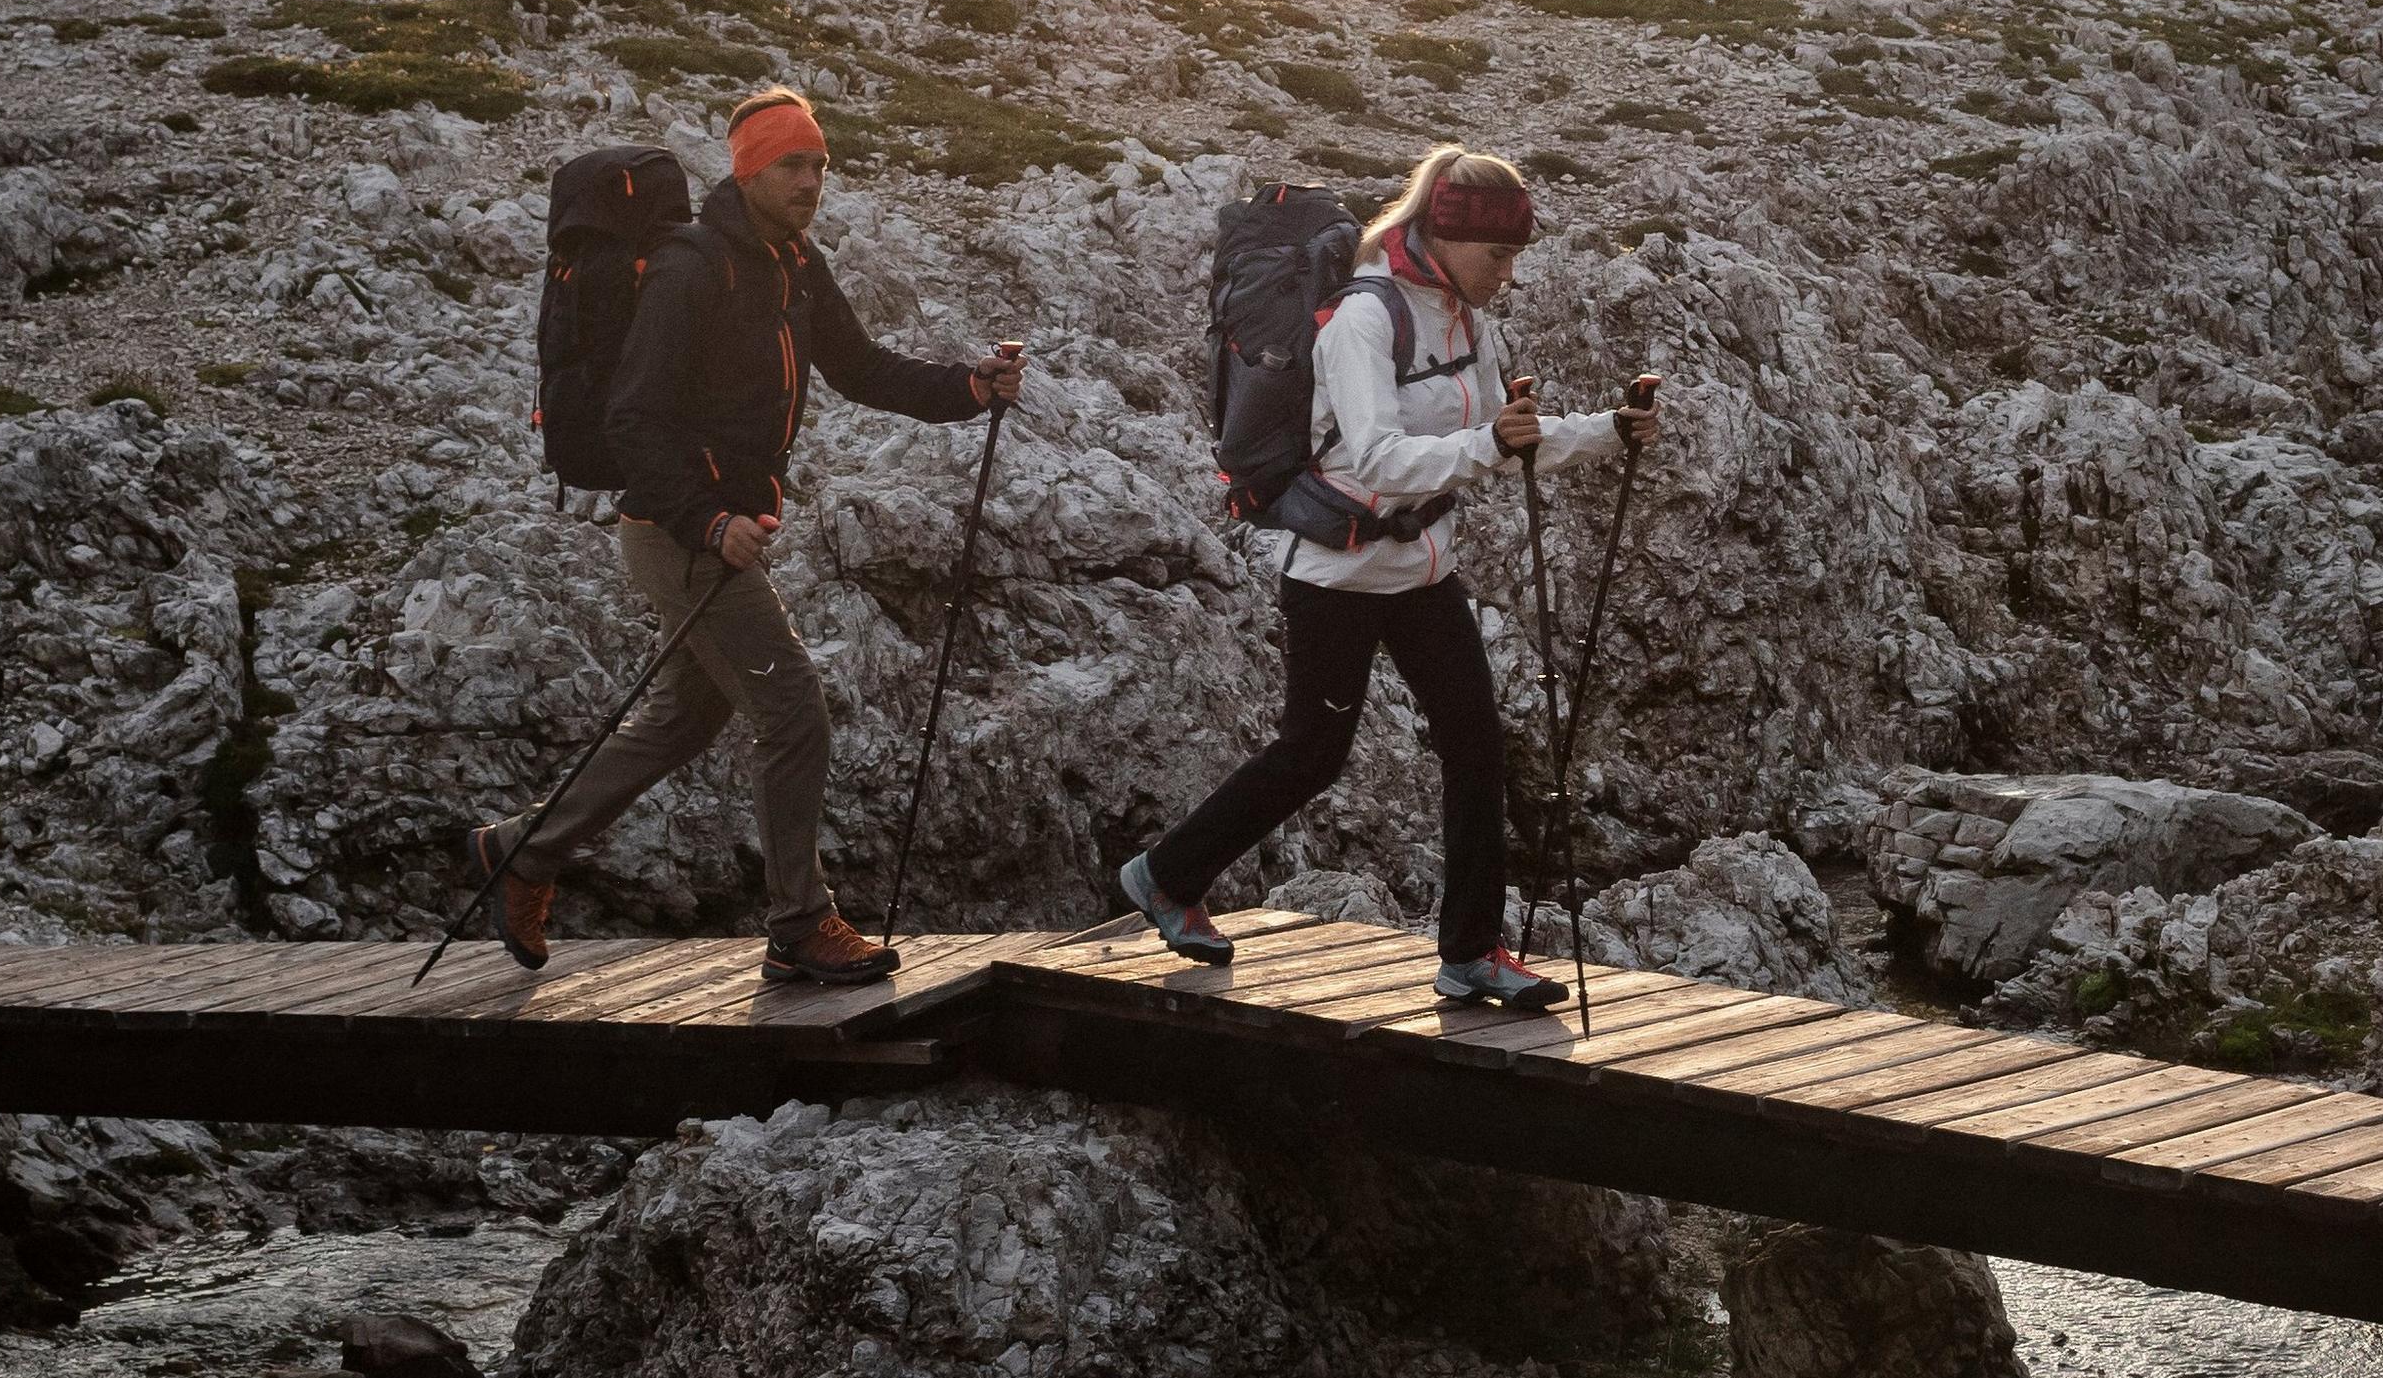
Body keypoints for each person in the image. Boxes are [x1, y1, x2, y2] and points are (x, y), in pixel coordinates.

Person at [476, 84, 1014, 990]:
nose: (810, 181)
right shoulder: (694, 268)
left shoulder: (793, 262)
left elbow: (859, 366)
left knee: (685, 717)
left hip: (710, 529)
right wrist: (710, 519)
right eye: (791, 165)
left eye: (819, 165)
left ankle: (521, 850)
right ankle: (799, 925)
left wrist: (968, 387)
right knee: (794, 709)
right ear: (748, 169)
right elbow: (633, 417)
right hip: (681, 534)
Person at [1114, 143, 1631, 1018]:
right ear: (1443, 234)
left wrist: (1612, 429)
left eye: (1513, 258)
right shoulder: (1363, 318)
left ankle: (1470, 954)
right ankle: (1165, 874)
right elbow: (1380, 458)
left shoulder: (1469, 320)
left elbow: (1511, 435)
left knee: (1478, 752)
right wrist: (1488, 445)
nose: (1506, 274)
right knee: (1312, 755)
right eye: (1497, 255)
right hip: (1339, 573)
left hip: (1425, 572)